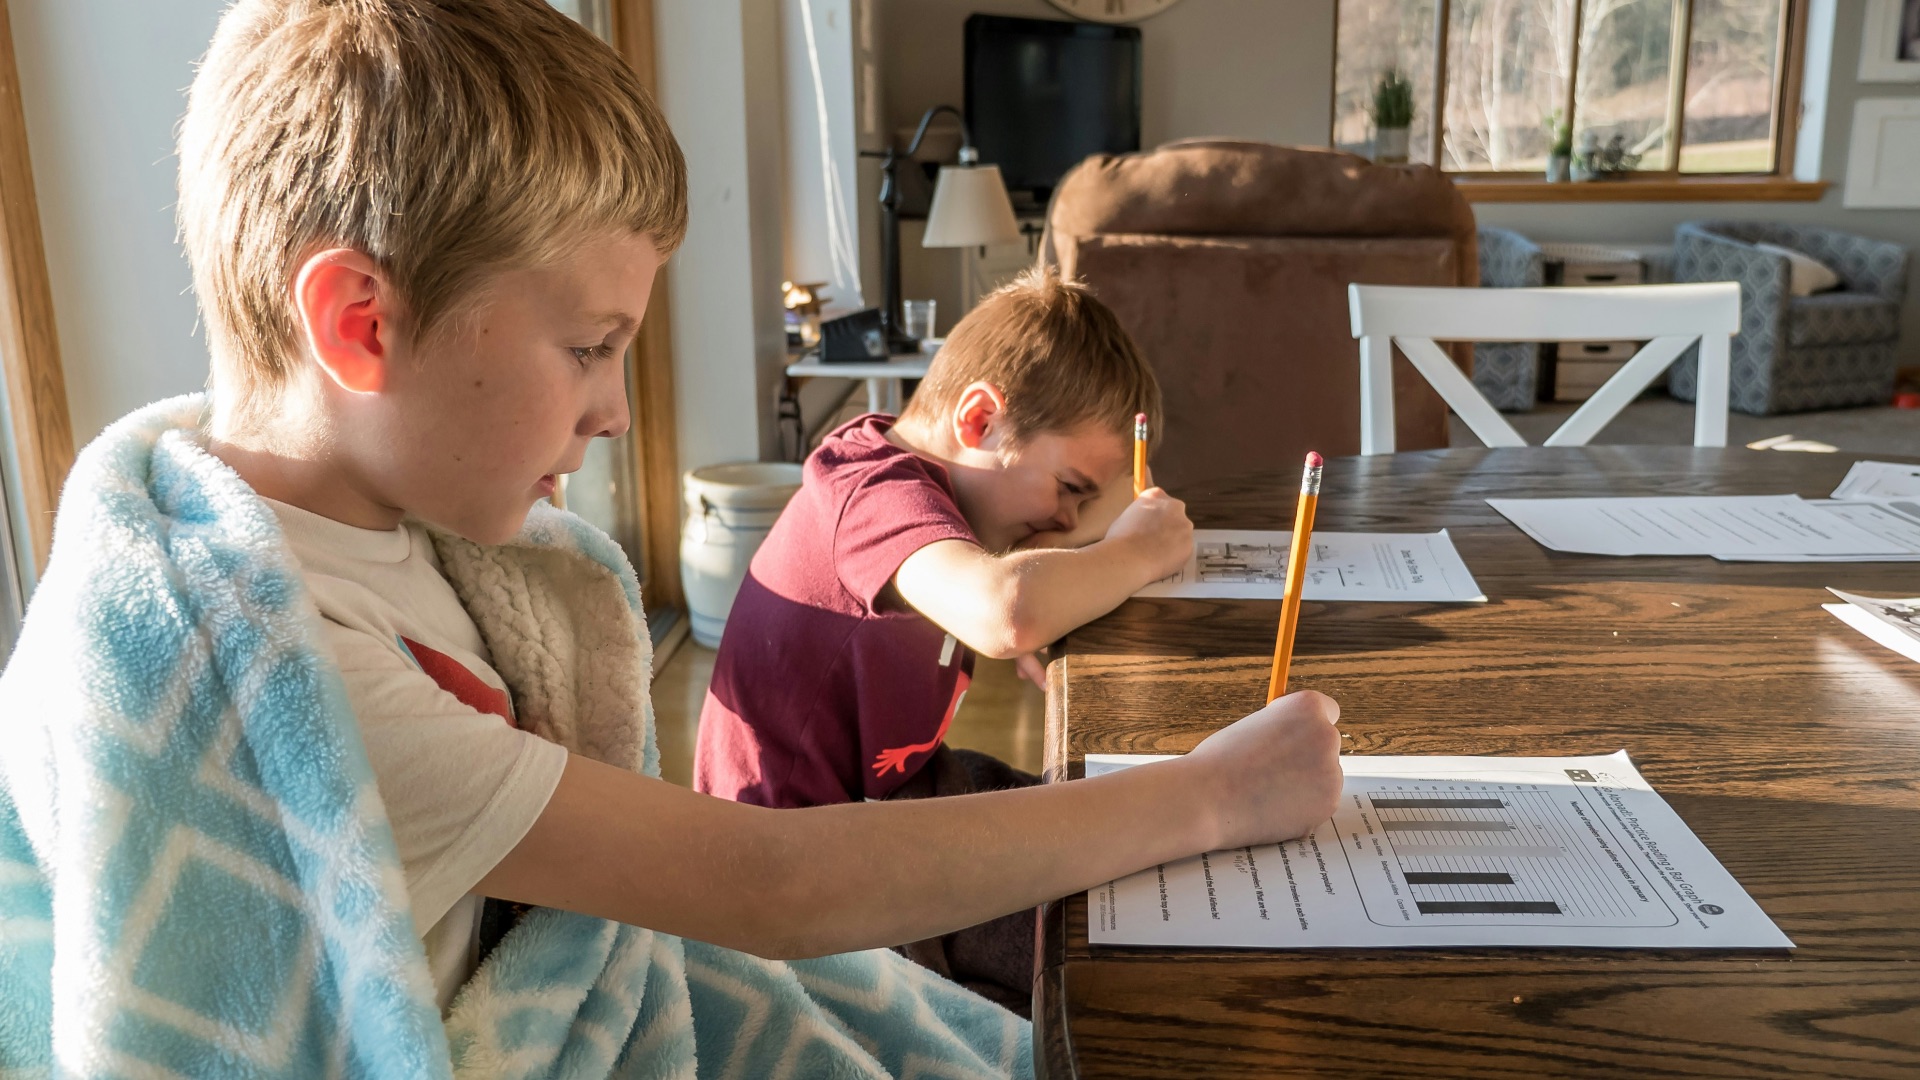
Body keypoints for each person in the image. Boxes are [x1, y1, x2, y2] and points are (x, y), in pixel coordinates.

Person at [0, 0, 1343, 1072]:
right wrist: (1213, 796)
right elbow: (764, 886)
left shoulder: (391, 529)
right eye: (589, 350)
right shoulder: (282, 672)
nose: (613, 414)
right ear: (362, 321)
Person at [694, 270, 1191, 1006]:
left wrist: (1072, 569)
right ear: (979, 419)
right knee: (1095, 949)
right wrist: (1133, 554)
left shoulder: (942, 487)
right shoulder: (870, 492)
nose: (1068, 523)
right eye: (1069, 490)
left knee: (1117, 847)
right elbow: (1005, 611)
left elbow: (1007, 597)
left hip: (897, 794)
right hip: (799, 874)